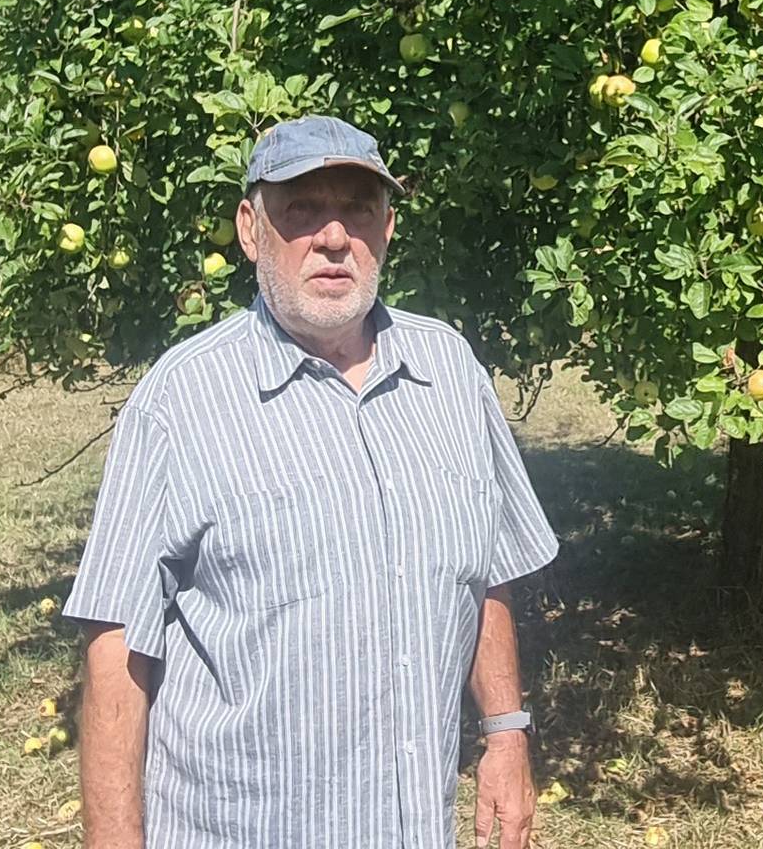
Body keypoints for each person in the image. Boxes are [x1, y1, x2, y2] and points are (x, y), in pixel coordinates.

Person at [62, 114, 562, 849]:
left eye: (357, 210)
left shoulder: (450, 372)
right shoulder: (183, 399)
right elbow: (117, 643)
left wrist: (507, 735)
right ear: (250, 228)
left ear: (387, 229)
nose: (333, 237)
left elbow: (487, 572)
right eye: (300, 209)